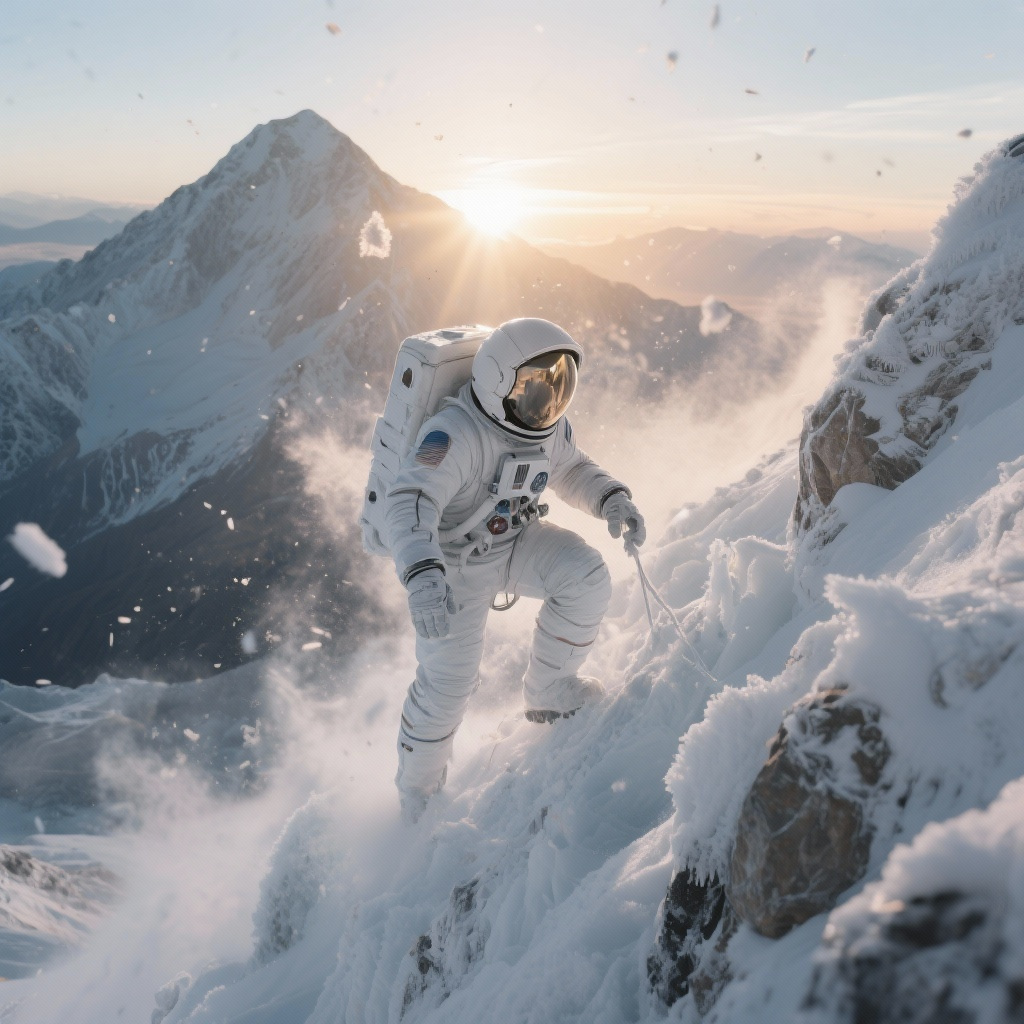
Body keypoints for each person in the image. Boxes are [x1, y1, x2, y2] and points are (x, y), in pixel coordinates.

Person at [383, 318, 646, 822]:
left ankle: (549, 691)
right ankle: (417, 796)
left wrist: (611, 498)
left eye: (559, 384)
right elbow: (411, 500)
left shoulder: (550, 427)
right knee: (448, 686)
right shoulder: (453, 433)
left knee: (585, 576)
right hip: (452, 568)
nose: (547, 401)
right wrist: (422, 573)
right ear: (499, 384)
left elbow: (572, 468)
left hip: (513, 540)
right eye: (534, 388)